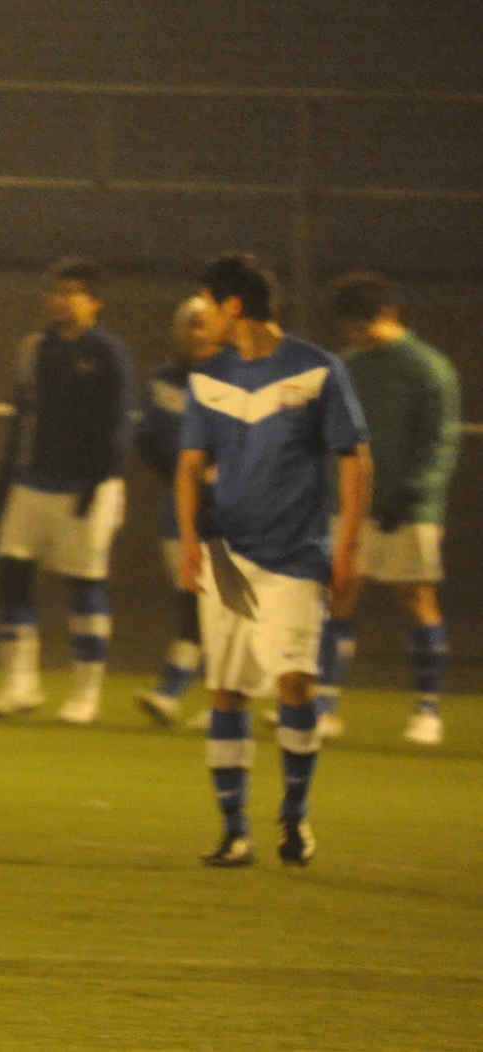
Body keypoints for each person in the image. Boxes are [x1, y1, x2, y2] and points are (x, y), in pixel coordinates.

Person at [176, 253, 370, 868]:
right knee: (227, 690)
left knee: (295, 683)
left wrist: (348, 548)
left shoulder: (316, 369)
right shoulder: (207, 378)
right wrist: (190, 541)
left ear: (233, 306)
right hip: (227, 558)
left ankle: (294, 813)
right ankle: (235, 831)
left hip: (294, 554)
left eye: (208, 304)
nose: (202, 317)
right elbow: (189, 467)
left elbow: (355, 459)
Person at [0, 259, 139, 725]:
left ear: (95, 302)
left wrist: (98, 480)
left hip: (86, 487)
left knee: (83, 583)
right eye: (56, 291)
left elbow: (119, 423)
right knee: (11, 574)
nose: (60, 300)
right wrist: (4, 481)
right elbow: (23, 418)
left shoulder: (108, 353)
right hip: (32, 482)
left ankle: (86, 694)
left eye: (72, 292)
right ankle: (20, 684)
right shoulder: (35, 349)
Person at [312, 273, 460, 746]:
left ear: (389, 315)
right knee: (337, 594)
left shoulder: (427, 367)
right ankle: (325, 707)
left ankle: (427, 710)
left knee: (415, 600)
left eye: (363, 326)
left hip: (410, 510)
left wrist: (413, 495)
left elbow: (440, 442)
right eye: (349, 328)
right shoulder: (348, 366)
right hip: (354, 505)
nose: (355, 335)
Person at [136, 295, 224, 726]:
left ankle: (177, 692)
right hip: (180, 510)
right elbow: (148, 439)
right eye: (191, 324)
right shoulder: (164, 380)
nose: (197, 332)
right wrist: (180, 476)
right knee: (194, 601)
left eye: (205, 324)